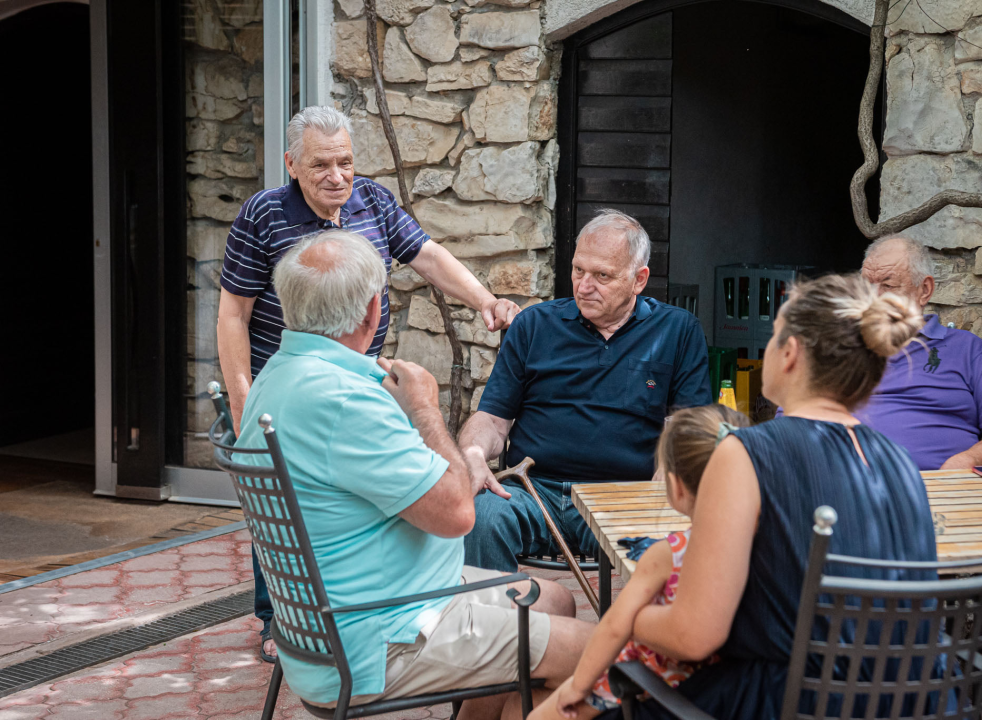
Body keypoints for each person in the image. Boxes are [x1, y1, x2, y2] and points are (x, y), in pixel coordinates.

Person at [234, 230, 592, 717]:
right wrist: (424, 409)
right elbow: (458, 513)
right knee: (603, 656)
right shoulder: (346, 403)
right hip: (386, 637)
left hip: (326, 629)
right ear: (371, 311)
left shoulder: (276, 375)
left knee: (553, 601)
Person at [218, 105, 520, 661]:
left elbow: (427, 255)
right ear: (291, 164)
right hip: (288, 385)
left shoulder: (373, 202)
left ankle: (378, 600)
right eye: (321, 165)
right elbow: (233, 313)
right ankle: (280, 621)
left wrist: (485, 300)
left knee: (361, 494)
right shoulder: (263, 215)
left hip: (355, 380)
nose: (337, 176)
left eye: (346, 162)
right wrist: (242, 401)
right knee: (288, 501)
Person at [580, 274, 938, 720]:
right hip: (910, 701)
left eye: (772, 335)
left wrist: (626, 615)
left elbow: (694, 636)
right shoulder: (902, 462)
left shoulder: (748, 453)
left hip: (791, 700)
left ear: (790, 354)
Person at [458, 209, 713, 573]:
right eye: (579, 270)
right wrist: (472, 452)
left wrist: (666, 479)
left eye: (602, 275)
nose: (583, 286)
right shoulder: (534, 324)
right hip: (533, 491)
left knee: (669, 534)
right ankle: (501, 622)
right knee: (482, 516)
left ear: (639, 280)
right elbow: (493, 420)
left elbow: (684, 428)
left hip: (624, 497)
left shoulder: (677, 331)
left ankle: (634, 630)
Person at [530, 406, 750, 720]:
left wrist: (577, 687)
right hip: (716, 688)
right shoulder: (757, 544)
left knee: (539, 716)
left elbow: (614, 626)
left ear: (675, 486)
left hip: (644, 681)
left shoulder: (668, 552)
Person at [859, 235, 982, 470]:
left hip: (943, 494)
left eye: (888, 285)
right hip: (852, 491)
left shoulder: (966, 349)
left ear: (924, 290)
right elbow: (795, 425)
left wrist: (968, 461)